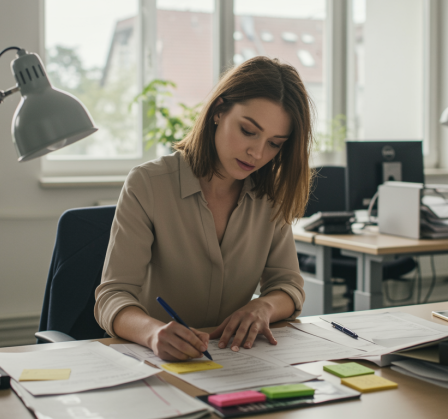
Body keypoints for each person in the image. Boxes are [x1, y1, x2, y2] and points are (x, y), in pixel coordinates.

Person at [94, 56, 314, 362]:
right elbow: (112, 296)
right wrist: (154, 333)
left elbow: (288, 285)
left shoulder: (270, 195)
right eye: (248, 131)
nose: (258, 152)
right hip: (157, 362)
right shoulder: (147, 184)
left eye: (275, 143)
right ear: (218, 111)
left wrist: (262, 306)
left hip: (236, 360)